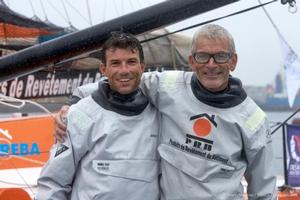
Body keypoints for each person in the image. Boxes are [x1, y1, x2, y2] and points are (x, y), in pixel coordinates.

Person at [55, 24, 277, 199]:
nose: (211, 64)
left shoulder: (254, 120)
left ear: (233, 61)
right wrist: (74, 102)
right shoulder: (169, 86)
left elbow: (264, 191)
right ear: (191, 61)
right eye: (202, 56)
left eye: (221, 56)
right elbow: (125, 80)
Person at [36, 32, 160, 200]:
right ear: (104, 69)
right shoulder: (81, 115)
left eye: (131, 62)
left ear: (142, 67)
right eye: (115, 63)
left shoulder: (160, 112)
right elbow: (53, 182)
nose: (124, 70)